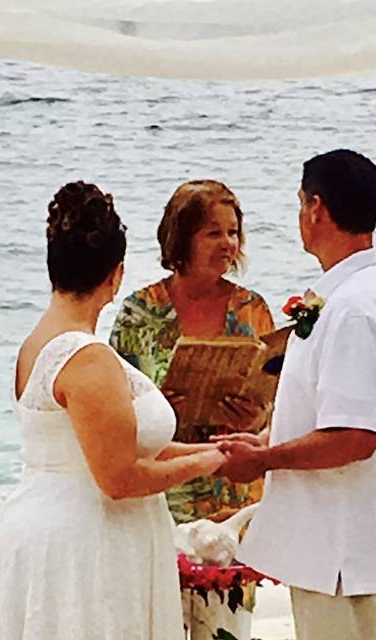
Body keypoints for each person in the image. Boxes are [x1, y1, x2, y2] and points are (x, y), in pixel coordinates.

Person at [0, 181, 226, 640]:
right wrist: (206, 463)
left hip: (38, 527)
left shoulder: (34, 344)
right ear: (115, 277)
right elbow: (118, 478)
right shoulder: (88, 358)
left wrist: (211, 450)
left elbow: (108, 443)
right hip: (85, 543)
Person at [217, 150, 376, 640]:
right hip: (345, 553)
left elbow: (355, 436)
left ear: (316, 209)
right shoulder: (355, 293)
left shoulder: (355, 308)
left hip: (346, 559)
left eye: (300, 203)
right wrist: (268, 436)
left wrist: (264, 461)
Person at [109, 179, 274, 639]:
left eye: (233, 232)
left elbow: (274, 402)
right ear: (182, 238)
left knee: (228, 620)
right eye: (214, 233)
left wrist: (254, 417)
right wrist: (159, 407)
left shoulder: (252, 309)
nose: (229, 244)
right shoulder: (139, 312)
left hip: (232, 484)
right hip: (163, 484)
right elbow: (112, 404)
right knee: (162, 616)